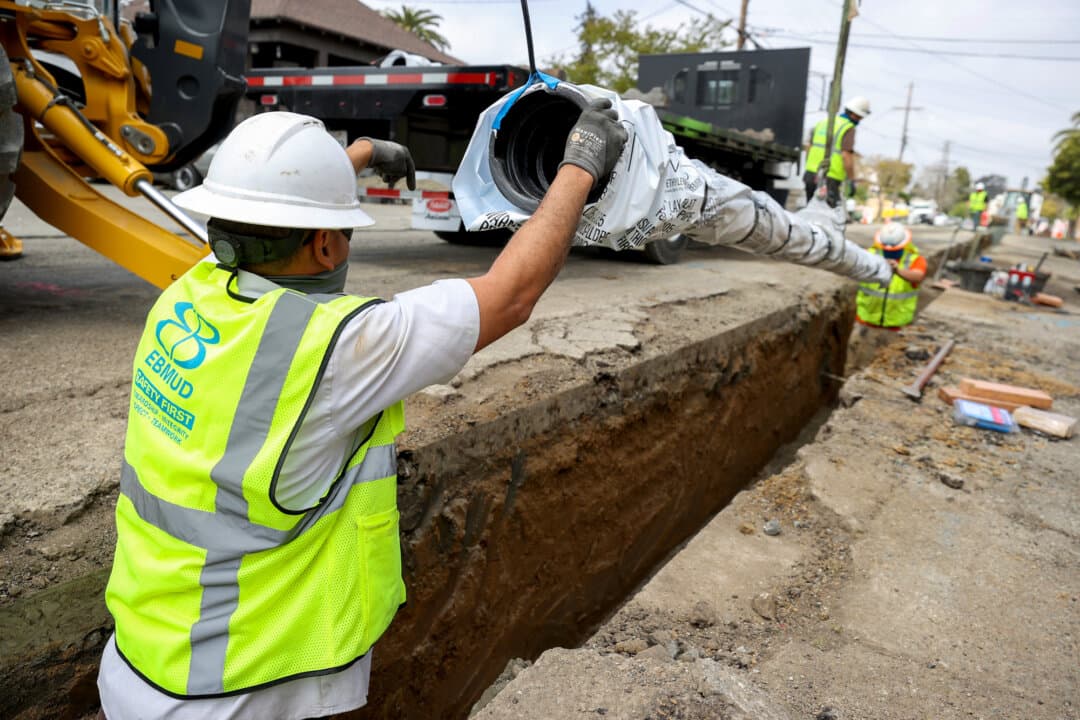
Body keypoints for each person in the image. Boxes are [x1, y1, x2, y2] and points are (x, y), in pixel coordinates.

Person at [95, 102, 627, 720]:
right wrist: (580, 164)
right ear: (325, 244)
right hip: (245, 688)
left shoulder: (189, 294)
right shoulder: (337, 350)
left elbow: (265, 213)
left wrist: (359, 156)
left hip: (142, 661)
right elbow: (510, 296)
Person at [856, 222, 927, 330]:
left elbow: (918, 277)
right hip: (865, 320)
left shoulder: (915, 259)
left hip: (896, 324)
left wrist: (897, 270)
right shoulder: (869, 254)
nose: (889, 251)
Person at [803, 96, 871, 208]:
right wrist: (851, 179)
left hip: (810, 174)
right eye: (860, 117)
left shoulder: (823, 123)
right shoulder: (848, 127)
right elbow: (846, 155)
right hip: (830, 177)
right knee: (829, 215)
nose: (860, 120)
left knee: (811, 210)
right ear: (855, 114)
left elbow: (809, 147)